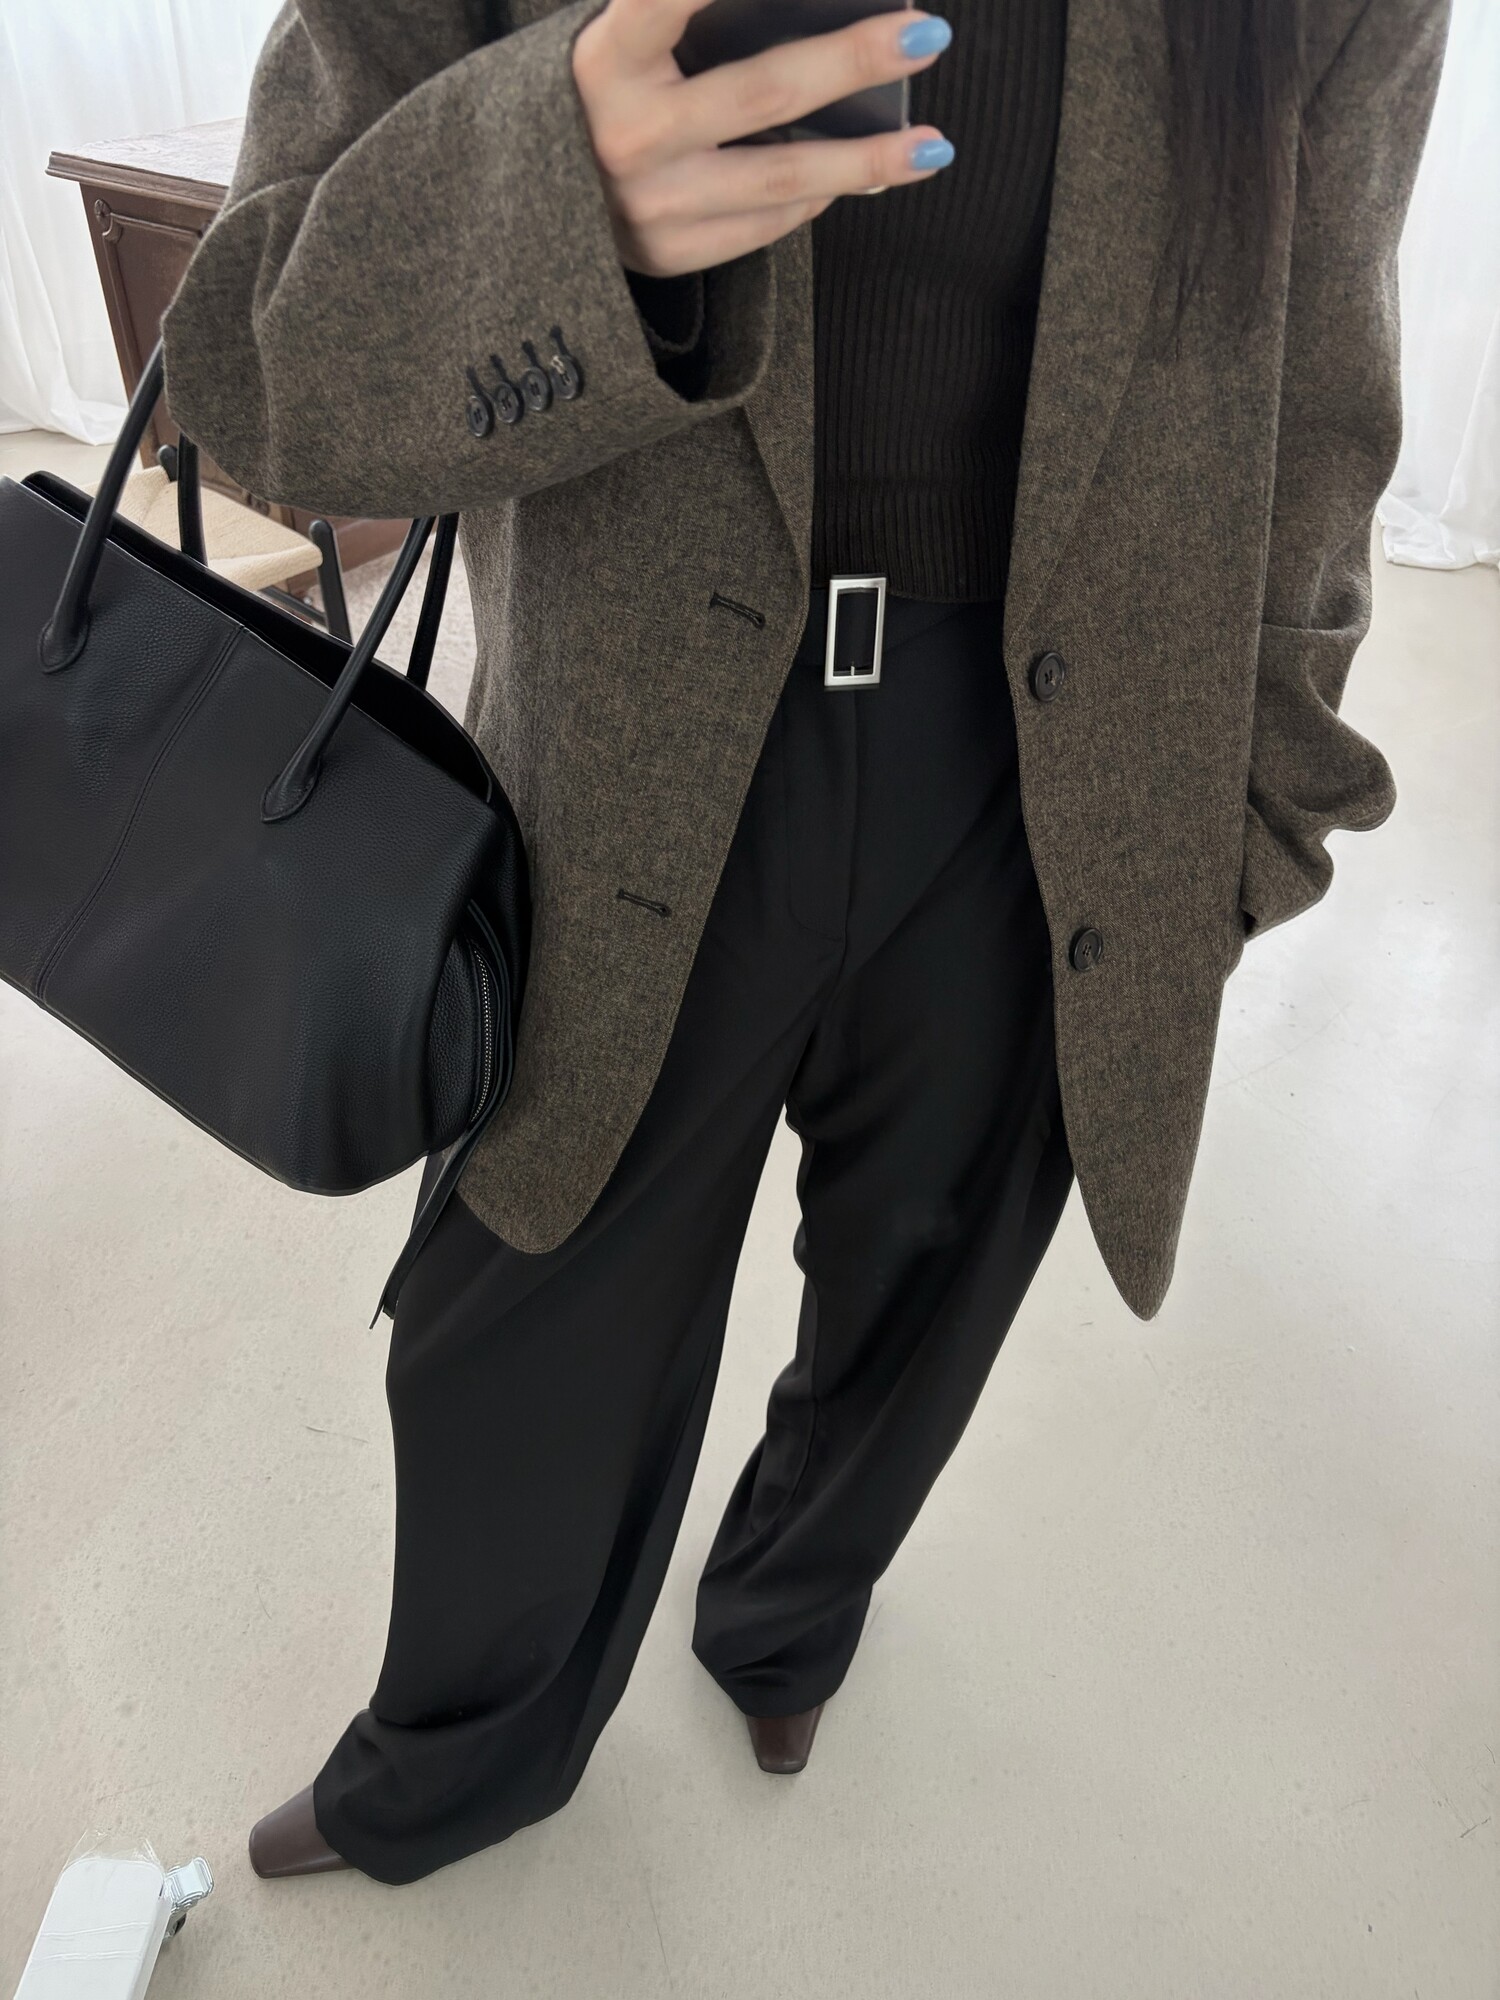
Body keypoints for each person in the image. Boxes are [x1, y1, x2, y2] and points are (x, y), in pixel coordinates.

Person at [160, 0, 1450, 1887]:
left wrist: (1260, 811)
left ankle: (786, 1618)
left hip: (1063, 772)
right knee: (521, 1320)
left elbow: (1327, 377)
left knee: (926, 1288)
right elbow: (256, 371)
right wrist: (560, 200)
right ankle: (457, 1756)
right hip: (630, 743)